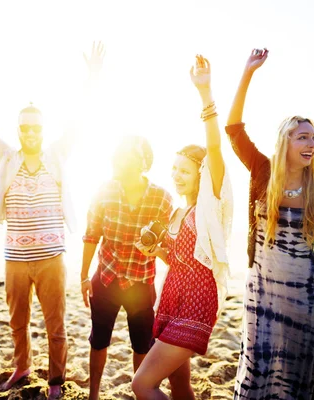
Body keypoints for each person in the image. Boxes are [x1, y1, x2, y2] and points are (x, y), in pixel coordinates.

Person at [0, 40, 104, 399]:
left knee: (55, 325)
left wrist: (92, 77)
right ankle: (23, 366)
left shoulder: (57, 155)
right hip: (15, 257)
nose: (29, 132)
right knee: (17, 323)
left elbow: (79, 121)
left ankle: (56, 379)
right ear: (18, 131)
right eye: (24, 128)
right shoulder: (7, 157)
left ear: (42, 130)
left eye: (35, 127)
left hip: (51, 257)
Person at [227, 49, 314, 399]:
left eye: (313, 137)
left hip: (303, 299)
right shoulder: (263, 172)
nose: (311, 144)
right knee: (256, 375)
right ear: (285, 142)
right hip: (262, 294)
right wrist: (247, 73)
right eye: (302, 137)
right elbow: (233, 130)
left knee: (293, 383)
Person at [130, 55, 233, 400]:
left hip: (195, 302)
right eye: (174, 169)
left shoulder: (209, 205)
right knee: (179, 385)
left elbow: (215, 148)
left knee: (142, 384)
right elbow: (177, 259)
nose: (176, 175)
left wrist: (205, 93)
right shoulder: (178, 211)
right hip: (171, 299)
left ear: (202, 176)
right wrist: (156, 249)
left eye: (185, 171)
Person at [81, 135, 173, 400]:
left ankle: (140, 394)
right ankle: (93, 395)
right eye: (119, 160)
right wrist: (83, 276)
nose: (122, 165)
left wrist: (158, 251)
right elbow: (91, 235)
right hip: (106, 279)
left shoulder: (162, 198)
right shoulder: (104, 191)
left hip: (141, 282)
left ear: (144, 163)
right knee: (98, 340)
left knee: (141, 345)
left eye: (130, 160)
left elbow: (168, 245)